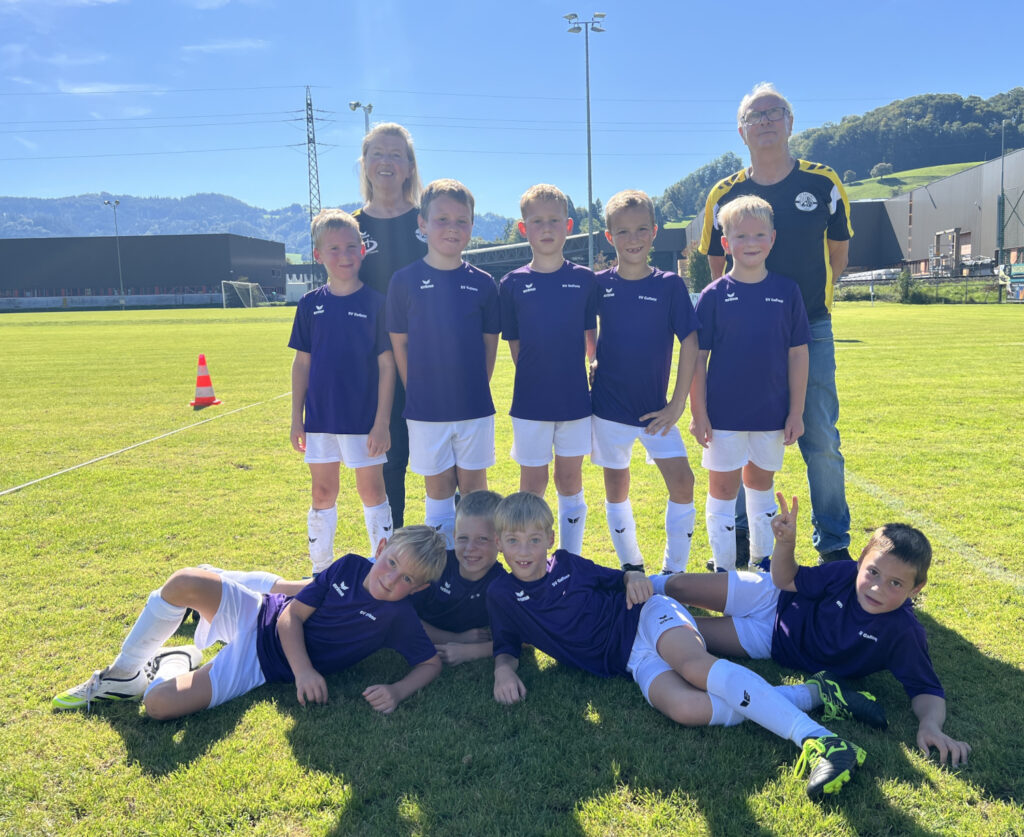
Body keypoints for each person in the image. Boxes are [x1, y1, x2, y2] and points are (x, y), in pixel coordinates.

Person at [487, 492, 872, 799]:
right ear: (499, 544)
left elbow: (622, 578)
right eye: (513, 541)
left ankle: (821, 740)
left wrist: (633, 579)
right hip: (630, 660)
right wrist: (503, 669)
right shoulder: (501, 594)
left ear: (550, 540)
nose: (524, 551)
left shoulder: (568, 564)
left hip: (646, 616)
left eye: (534, 540)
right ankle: (814, 694)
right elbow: (506, 641)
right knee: (686, 708)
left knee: (693, 667)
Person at [658, 494, 972, 766]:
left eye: (896, 583)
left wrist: (931, 726)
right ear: (860, 561)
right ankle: (632, 585)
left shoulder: (904, 632)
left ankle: (638, 615)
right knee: (679, 586)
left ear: (916, 588)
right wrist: (786, 544)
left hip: (770, 641)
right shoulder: (844, 574)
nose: (877, 587)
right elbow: (786, 579)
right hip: (772, 595)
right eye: (873, 572)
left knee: (683, 630)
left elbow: (927, 689)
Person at [52, 526, 448, 719]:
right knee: (184, 581)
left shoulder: (398, 617)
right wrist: (304, 671)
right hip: (260, 612)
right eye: (390, 563)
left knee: (156, 706)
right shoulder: (349, 565)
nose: (391, 579)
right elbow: (290, 615)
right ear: (380, 548)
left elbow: (430, 662)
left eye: (406, 579)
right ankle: (124, 674)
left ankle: (174, 661)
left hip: (260, 663)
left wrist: (397, 691)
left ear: (418, 588)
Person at [697, 82, 854, 564]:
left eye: (774, 112)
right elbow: (715, 265)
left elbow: (839, 255)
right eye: (755, 115)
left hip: (810, 328)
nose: (765, 121)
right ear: (740, 130)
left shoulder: (822, 182)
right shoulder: (724, 193)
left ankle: (833, 544)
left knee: (819, 434)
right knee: (735, 431)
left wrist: (798, 308)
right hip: (742, 336)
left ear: (790, 122)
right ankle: (738, 540)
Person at [689, 195, 809, 571]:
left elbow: (798, 355)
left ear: (772, 239)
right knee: (723, 489)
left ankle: (761, 563)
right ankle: (723, 569)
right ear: (726, 243)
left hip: (771, 414)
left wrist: (796, 412)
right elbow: (697, 359)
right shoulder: (713, 296)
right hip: (722, 416)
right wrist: (698, 413)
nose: (751, 243)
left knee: (760, 486)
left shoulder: (787, 292)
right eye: (741, 236)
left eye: (759, 235)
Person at [590, 189, 700, 574]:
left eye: (641, 230)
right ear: (610, 237)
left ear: (654, 232)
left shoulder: (669, 285)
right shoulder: (598, 284)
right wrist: (592, 357)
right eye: (622, 231)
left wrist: (677, 404)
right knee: (616, 488)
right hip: (608, 408)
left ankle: (673, 573)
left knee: (683, 482)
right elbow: (582, 327)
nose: (632, 239)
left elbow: (690, 341)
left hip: (656, 411)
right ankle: (631, 566)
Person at [386, 179, 500, 547]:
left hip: (473, 407)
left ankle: (478, 563)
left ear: (472, 225)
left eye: (462, 221)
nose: (452, 228)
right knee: (438, 487)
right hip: (426, 409)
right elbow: (400, 343)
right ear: (422, 223)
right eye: (442, 220)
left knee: (474, 489)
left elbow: (489, 344)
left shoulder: (484, 284)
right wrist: (416, 389)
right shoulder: (404, 281)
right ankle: (444, 564)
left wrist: (476, 387)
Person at [289, 209, 395, 574]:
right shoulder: (309, 304)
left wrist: (382, 422)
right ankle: (320, 572)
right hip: (320, 420)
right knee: (322, 493)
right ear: (317, 255)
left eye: (351, 246)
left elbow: (387, 366)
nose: (344, 255)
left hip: (363, 420)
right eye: (333, 248)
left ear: (363, 250)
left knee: (372, 492)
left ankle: (382, 568)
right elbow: (301, 363)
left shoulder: (376, 303)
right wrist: (296, 419)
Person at [498, 184, 598, 554]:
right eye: (537, 221)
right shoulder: (512, 284)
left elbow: (590, 334)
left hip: (574, 400)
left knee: (570, 479)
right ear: (523, 228)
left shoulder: (584, 279)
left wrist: (593, 361)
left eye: (554, 220)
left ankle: (571, 557)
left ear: (568, 225)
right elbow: (516, 345)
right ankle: (529, 557)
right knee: (532, 483)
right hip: (531, 403)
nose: (546, 228)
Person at [353, 123, 428, 529]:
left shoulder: (429, 220)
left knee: (443, 458)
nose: (387, 161)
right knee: (389, 457)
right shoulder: (351, 228)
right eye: (378, 153)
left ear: (410, 166)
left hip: (430, 358)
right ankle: (393, 547)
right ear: (364, 163)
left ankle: (454, 548)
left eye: (396, 154)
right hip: (374, 364)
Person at [411, 489, 506, 665]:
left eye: (482, 539)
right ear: (454, 536)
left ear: (500, 541)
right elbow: (403, 618)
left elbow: (523, 637)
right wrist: (457, 639)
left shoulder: (501, 585)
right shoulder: (437, 564)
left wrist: (470, 652)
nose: (470, 548)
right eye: (463, 538)